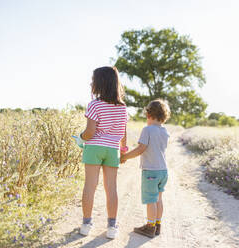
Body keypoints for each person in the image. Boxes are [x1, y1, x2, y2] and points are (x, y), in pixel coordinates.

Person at [73, 66, 128, 239]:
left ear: (99, 83)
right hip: (113, 149)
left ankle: (86, 225)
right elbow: (123, 133)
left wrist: (81, 138)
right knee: (111, 188)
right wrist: (123, 149)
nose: (91, 83)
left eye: (93, 80)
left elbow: (90, 132)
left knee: (90, 185)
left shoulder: (94, 105)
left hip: (95, 147)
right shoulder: (122, 107)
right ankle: (112, 227)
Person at [120, 99, 170, 238]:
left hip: (151, 171)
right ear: (164, 117)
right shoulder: (165, 132)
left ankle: (150, 227)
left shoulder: (147, 130)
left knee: (151, 200)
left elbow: (141, 149)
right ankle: (157, 225)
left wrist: (124, 157)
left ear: (148, 115)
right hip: (163, 171)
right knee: (159, 198)